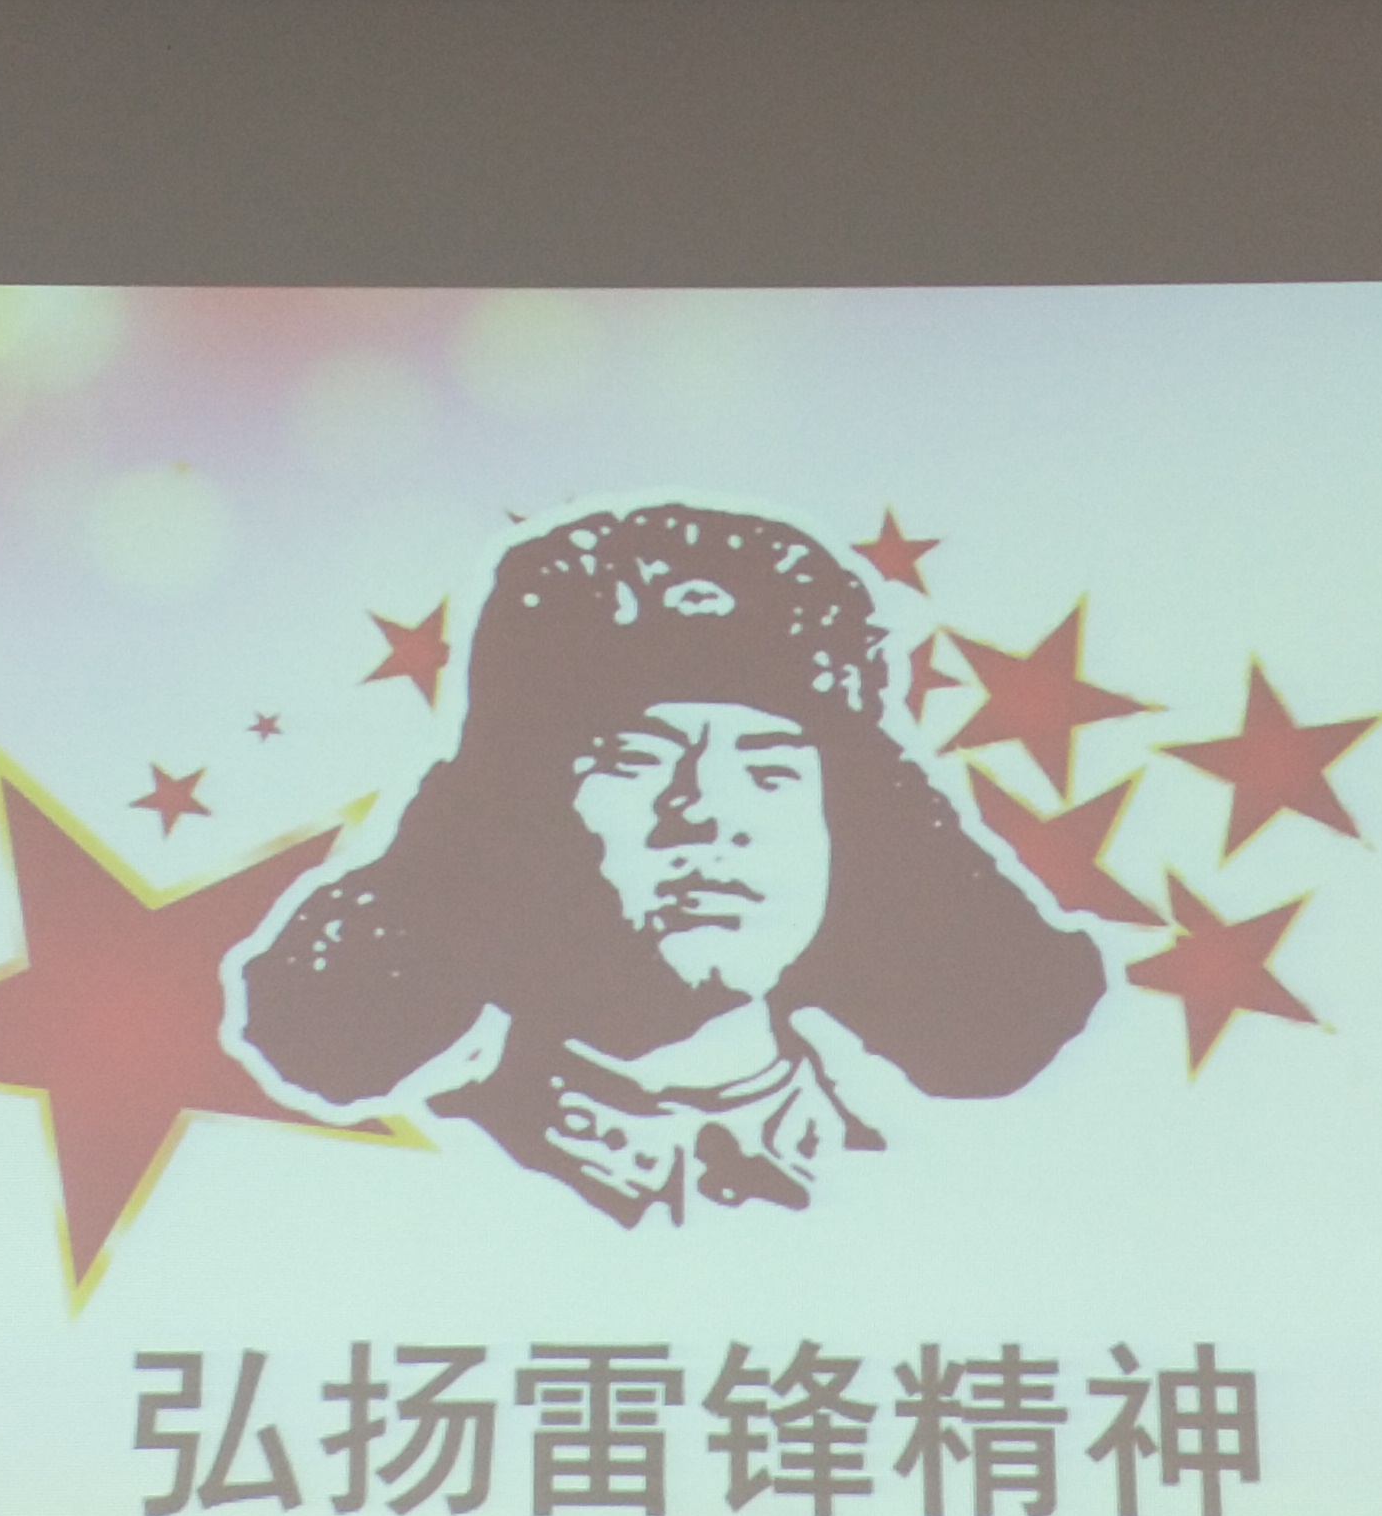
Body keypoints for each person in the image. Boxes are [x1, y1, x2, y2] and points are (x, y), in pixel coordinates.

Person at [236, 504, 1104, 1226]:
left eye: (773, 771)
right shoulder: (417, 1187)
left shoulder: (948, 1188)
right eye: (635, 761)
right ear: (521, 817)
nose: (711, 815)